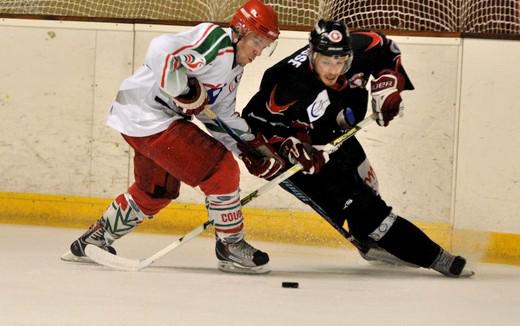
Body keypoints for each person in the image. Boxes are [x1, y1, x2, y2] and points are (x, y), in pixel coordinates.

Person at [61, 0, 286, 274]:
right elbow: (160, 48)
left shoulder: (234, 71)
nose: (259, 52)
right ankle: (230, 245)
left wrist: (251, 148)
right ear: (240, 31)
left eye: (265, 45)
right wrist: (180, 88)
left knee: (155, 191)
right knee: (220, 168)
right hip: (149, 115)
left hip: (142, 120)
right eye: (257, 42)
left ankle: (92, 240)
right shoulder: (214, 40)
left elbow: (220, 117)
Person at [241, 19, 473, 277]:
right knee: (362, 207)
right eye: (326, 62)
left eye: (340, 62)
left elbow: (386, 47)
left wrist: (389, 82)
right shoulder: (285, 82)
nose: (333, 70)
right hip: (295, 159)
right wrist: (286, 145)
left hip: (333, 135)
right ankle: (437, 258)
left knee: (369, 188)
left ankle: (369, 236)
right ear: (312, 54)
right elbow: (252, 122)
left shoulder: (362, 49)